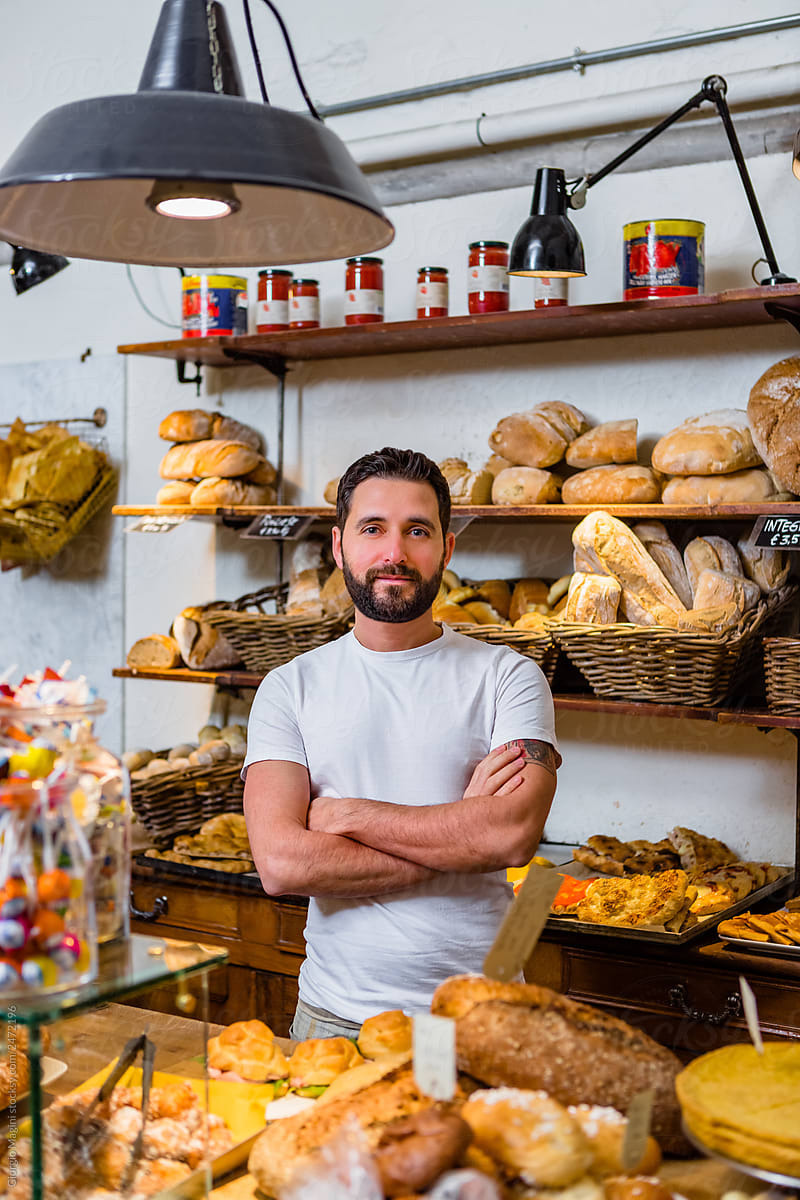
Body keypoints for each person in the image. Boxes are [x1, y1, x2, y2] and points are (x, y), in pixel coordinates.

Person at [243, 447, 560, 1039]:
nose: (394, 552)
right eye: (373, 529)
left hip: (473, 1023)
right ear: (339, 547)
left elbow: (511, 836)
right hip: (335, 1022)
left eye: (417, 530)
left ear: (446, 548)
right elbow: (283, 864)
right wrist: (462, 832)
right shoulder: (290, 688)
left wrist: (344, 816)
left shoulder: (509, 677)